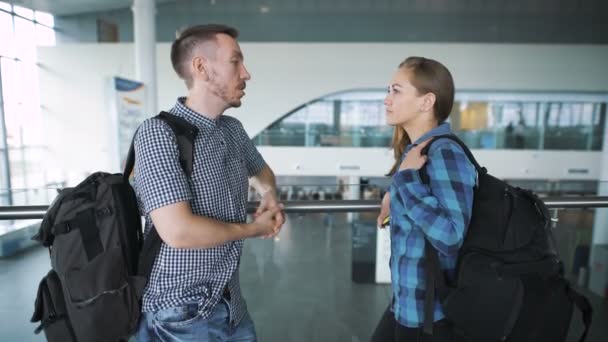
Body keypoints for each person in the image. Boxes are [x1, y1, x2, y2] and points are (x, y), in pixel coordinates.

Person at [134, 24, 285, 341]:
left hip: (229, 302)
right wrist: (255, 229)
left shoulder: (232, 129)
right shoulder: (157, 134)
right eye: (235, 61)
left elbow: (261, 171)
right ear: (201, 67)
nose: (246, 73)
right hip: (179, 313)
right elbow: (179, 231)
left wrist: (268, 195)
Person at [373, 57, 477, 342]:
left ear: (426, 102)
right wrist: (394, 190)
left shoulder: (444, 153)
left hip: (429, 317)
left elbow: (450, 236)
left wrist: (404, 182)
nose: (386, 99)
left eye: (396, 90)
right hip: (406, 304)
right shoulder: (417, 152)